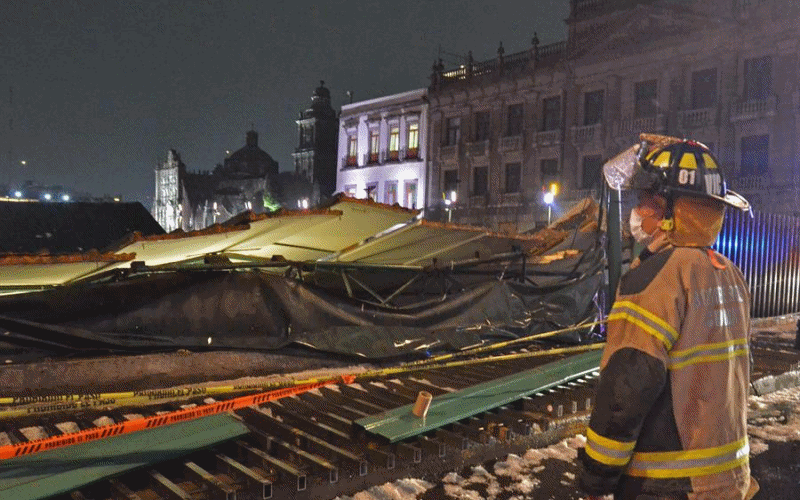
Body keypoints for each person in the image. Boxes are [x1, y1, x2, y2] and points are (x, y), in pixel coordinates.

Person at [578, 135, 759, 500]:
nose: (638, 211)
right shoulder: (728, 273)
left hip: (665, 481)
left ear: (671, 214)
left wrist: (596, 476)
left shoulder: (655, 279)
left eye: (646, 201)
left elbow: (627, 388)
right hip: (726, 479)